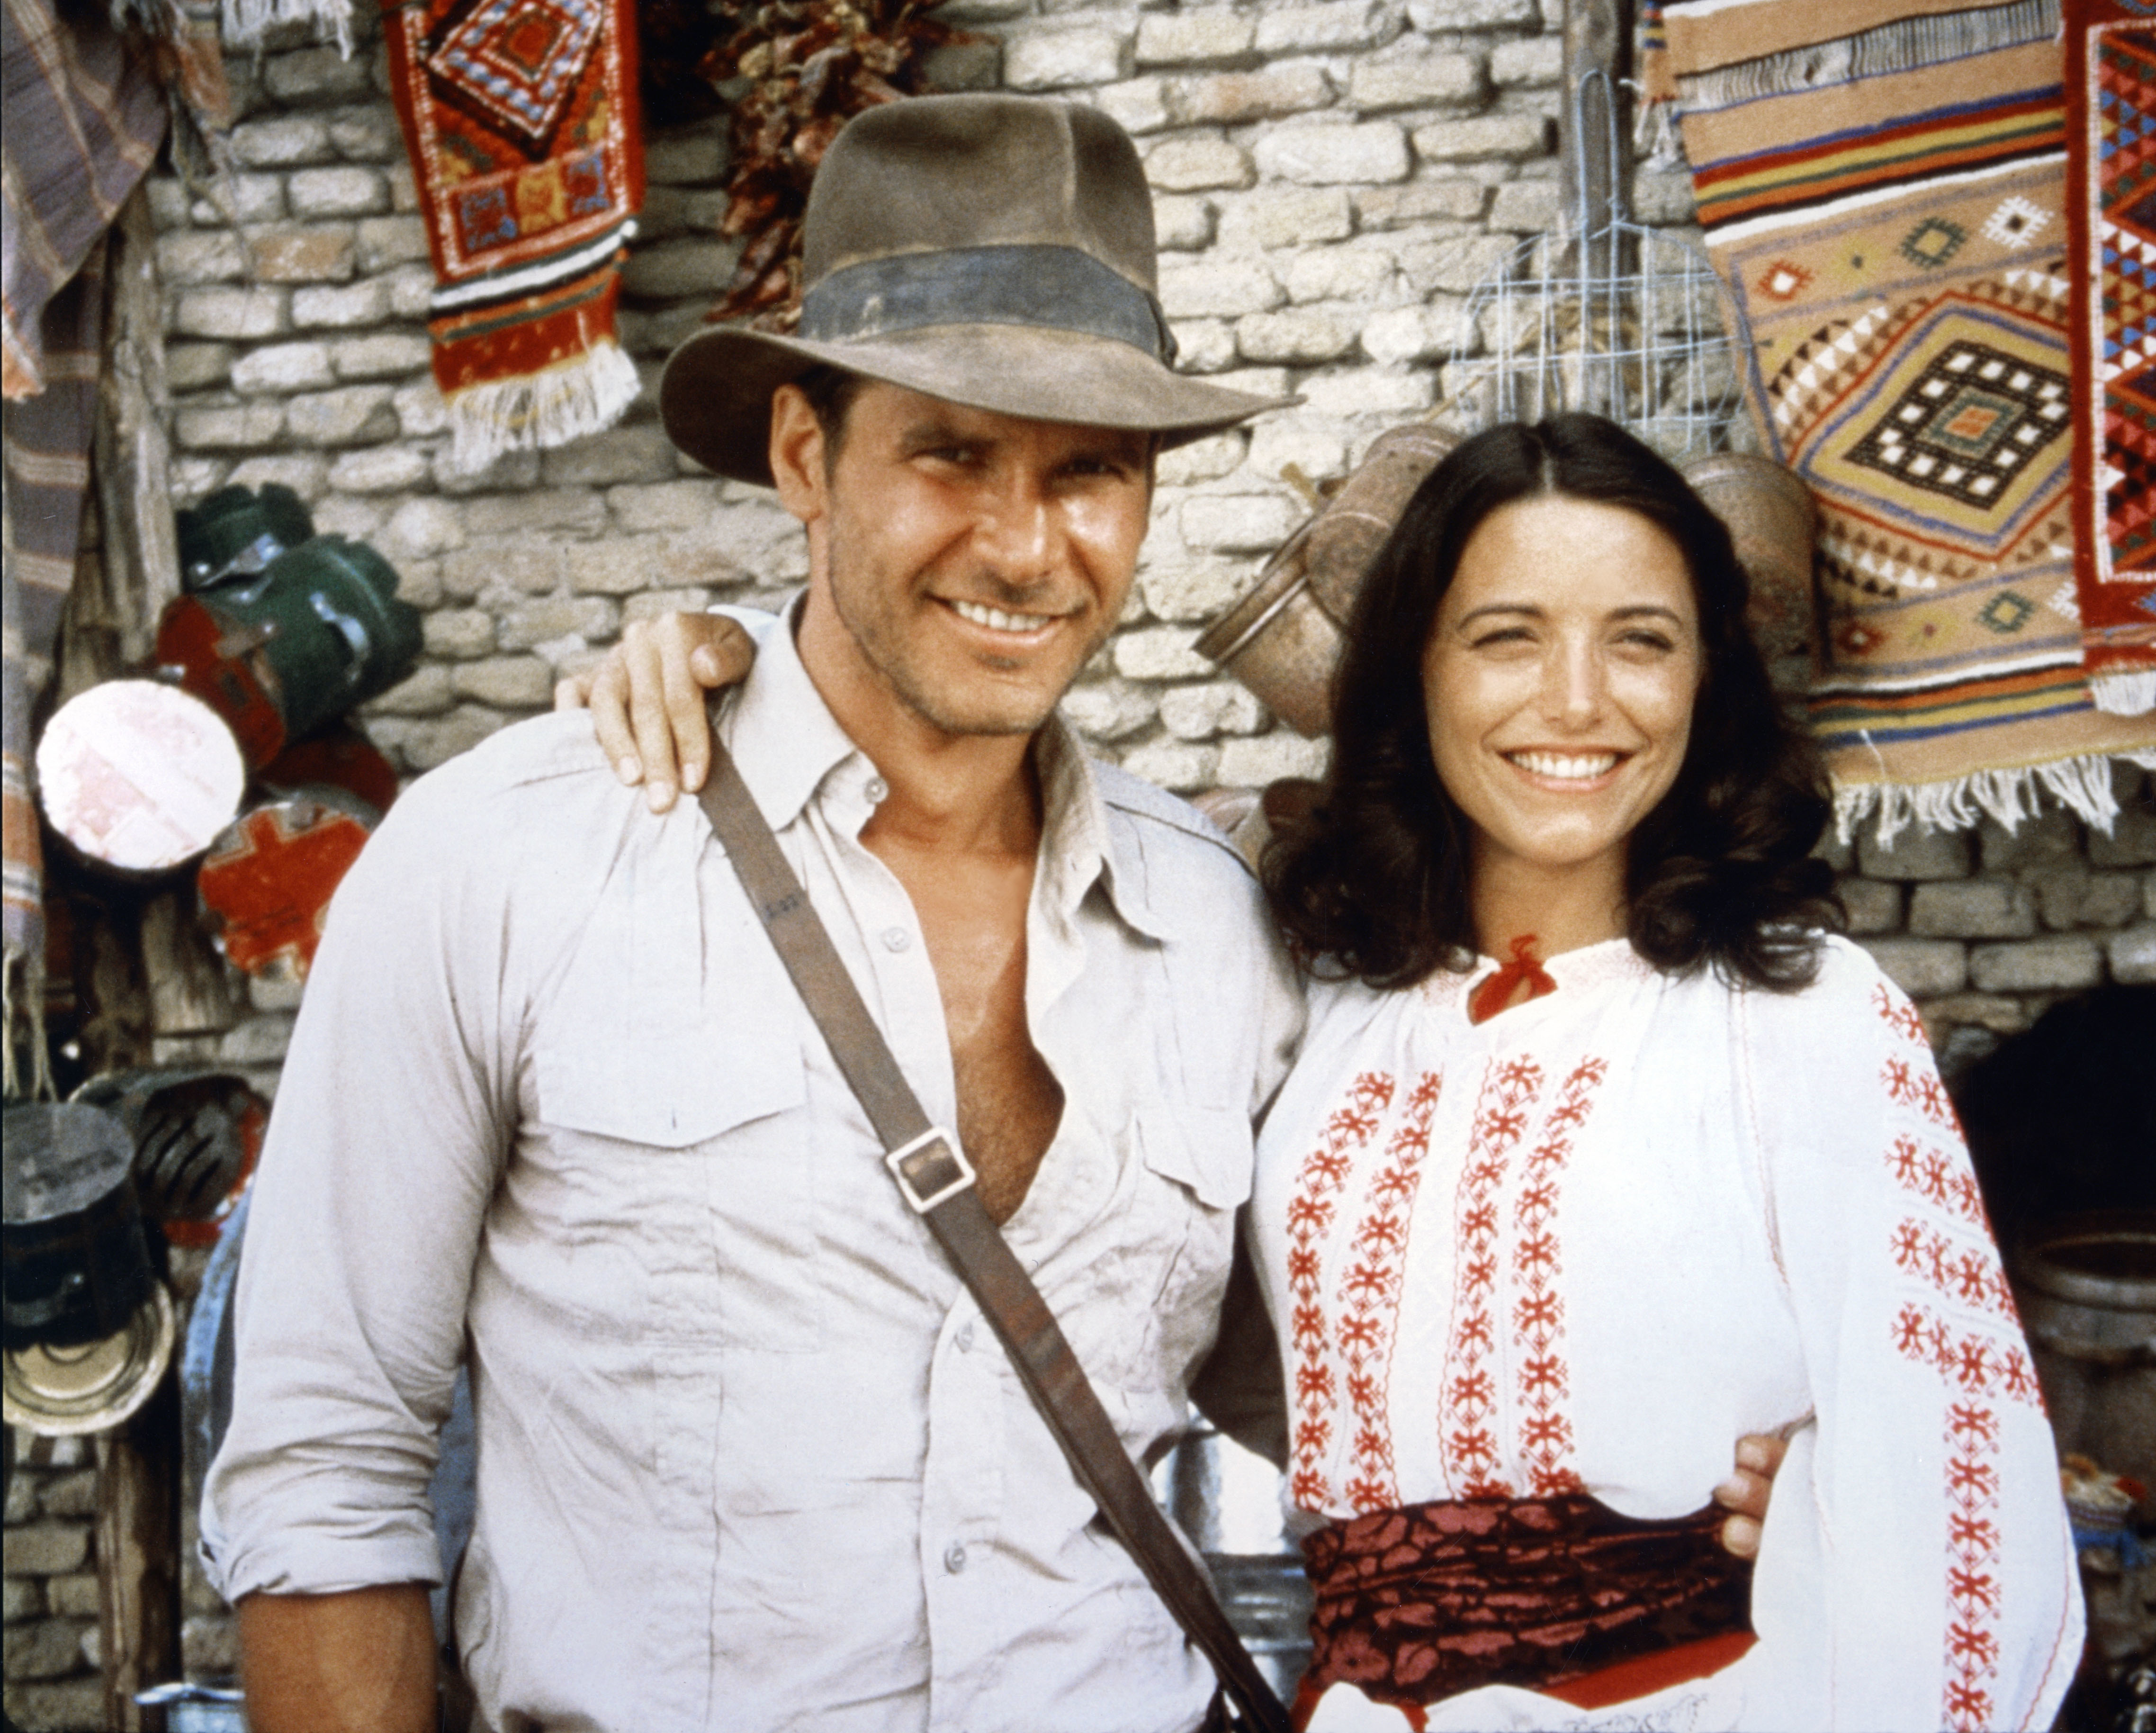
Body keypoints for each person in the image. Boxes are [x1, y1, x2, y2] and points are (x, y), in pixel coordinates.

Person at [208, 95, 1786, 1733]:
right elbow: (327, 1471)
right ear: (807, 457)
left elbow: (1376, 1388)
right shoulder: (505, 864)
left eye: (1090, 470)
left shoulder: (1223, 927)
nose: (1026, 546)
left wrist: (1740, 1453)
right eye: (951, 452)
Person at [586, 416, 2085, 1729]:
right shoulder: (1320, 1006)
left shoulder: (1807, 1020)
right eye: (1506, 636)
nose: (1577, 700)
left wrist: (1814, 1506)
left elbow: (1962, 1519)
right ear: (1413, 674)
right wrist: (717, 651)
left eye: (1642, 638)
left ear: (1708, 683)